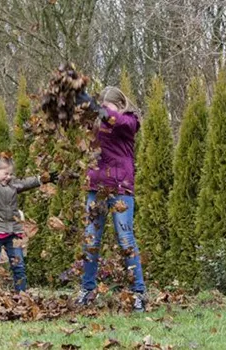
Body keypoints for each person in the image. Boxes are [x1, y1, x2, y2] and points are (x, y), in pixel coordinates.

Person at [75, 86, 147, 312]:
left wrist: (102, 110)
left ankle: (139, 293)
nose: (105, 113)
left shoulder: (129, 122)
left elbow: (118, 121)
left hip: (120, 188)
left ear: (120, 105)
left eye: (109, 108)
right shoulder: (96, 125)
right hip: (96, 188)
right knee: (90, 240)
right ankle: (87, 290)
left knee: (125, 239)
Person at [0, 152, 57, 296]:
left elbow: (26, 182)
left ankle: (21, 295)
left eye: (11, 173)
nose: (9, 177)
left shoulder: (12, 184)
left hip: (13, 232)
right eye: (6, 173)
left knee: (19, 267)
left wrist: (42, 179)